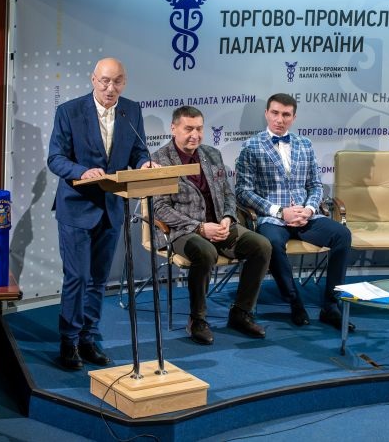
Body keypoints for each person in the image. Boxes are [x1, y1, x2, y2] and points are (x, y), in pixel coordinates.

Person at [48, 57, 159, 370]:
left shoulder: (131, 110)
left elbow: (138, 152)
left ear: (124, 82)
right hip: (76, 208)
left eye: (117, 81)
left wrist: (144, 164)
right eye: (105, 81)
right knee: (77, 277)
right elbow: (55, 158)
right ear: (93, 79)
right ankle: (69, 341)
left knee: (98, 279)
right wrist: (82, 171)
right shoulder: (69, 111)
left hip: (111, 208)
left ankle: (88, 338)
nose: (111, 88)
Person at [151, 106, 271, 345]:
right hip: (182, 230)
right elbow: (160, 208)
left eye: (199, 129)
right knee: (205, 252)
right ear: (173, 128)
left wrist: (227, 218)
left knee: (262, 246)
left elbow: (227, 194)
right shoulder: (158, 160)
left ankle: (241, 312)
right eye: (188, 129)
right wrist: (199, 227)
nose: (195, 135)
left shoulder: (212, 154)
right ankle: (197, 319)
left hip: (219, 224)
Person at [235, 93, 353, 331]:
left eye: (286, 115)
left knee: (342, 234)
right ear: (266, 114)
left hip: (305, 216)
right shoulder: (250, 146)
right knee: (271, 243)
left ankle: (331, 305)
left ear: (294, 117)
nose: (280, 119)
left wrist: (308, 209)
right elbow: (243, 192)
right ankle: (294, 301)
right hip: (272, 218)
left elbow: (315, 185)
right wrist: (280, 212)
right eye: (275, 113)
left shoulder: (305, 144)